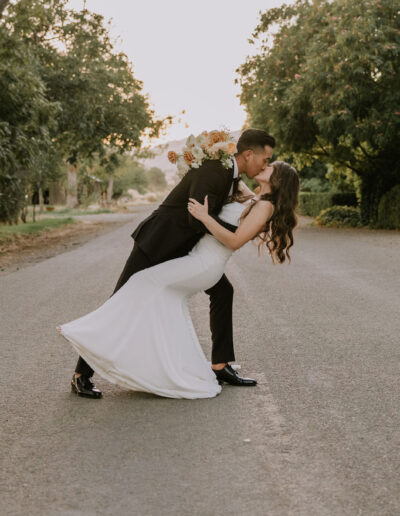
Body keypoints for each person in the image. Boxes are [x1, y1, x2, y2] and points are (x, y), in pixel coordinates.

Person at [56, 159, 300, 399]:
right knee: (210, 293)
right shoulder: (253, 197)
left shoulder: (265, 206)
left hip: (204, 264)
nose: (264, 165)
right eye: (265, 160)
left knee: (141, 285)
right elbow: (230, 174)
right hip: (190, 254)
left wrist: (205, 217)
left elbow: (235, 240)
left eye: (270, 166)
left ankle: (87, 342)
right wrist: (200, 154)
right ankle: (202, 364)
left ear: (278, 180)